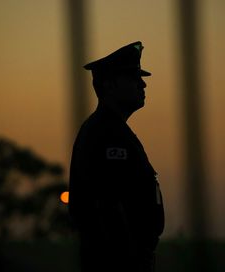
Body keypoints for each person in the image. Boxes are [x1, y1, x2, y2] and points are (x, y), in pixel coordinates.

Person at [68, 41, 165, 272]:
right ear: (110, 85)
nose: (142, 84)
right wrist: (132, 257)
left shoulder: (111, 130)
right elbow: (108, 205)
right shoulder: (107, 133)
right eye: (133, 78)